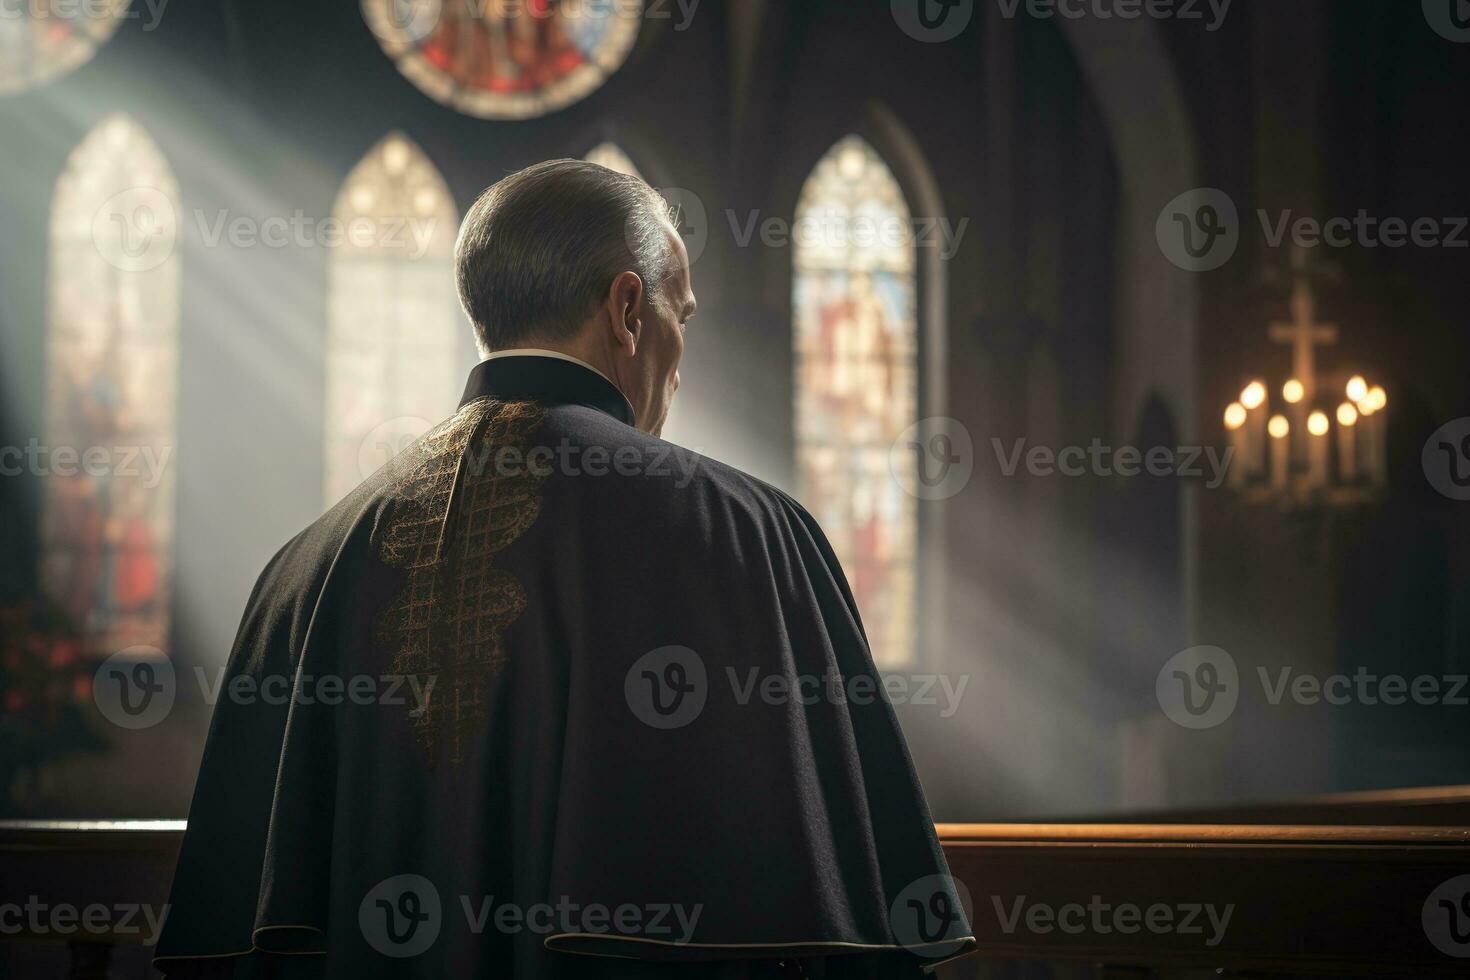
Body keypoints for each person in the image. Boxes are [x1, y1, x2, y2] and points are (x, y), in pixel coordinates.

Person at [154, 160, 972, 978]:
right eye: (678, 314)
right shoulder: (752, 534)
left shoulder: (304, 567)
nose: (679, 354)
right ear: (626, 308)